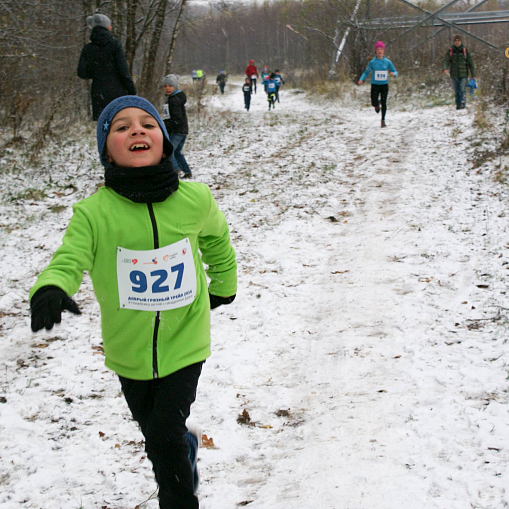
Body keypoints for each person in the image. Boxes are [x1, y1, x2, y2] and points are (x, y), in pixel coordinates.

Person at [29, 95, 237, 509]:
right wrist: (51, 287)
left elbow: (218, 241)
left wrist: (223, 285)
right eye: (121, 127)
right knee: (156, 432)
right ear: (107, 149)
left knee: (162, 435)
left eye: (148, 123)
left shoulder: (196, 199)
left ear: (165, 141)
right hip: (127, 349)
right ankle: (184, 449)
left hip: (185, 340)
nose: (137, 130)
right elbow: (69, 258)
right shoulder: (94, 214)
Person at [77, 13, 136, 121]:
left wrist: (96, 72)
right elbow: (123, 70)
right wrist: (132, 90)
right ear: (107, 27)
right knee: (119, 124)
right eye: (110, 25)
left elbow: (81, 72)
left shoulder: (88, 48)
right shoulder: (115, 45)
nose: (111, 27)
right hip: (116, 91)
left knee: (103, 126)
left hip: (98, 92)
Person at [358, 41, 398, 128]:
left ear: (383, 51)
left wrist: (393, 74)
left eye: (381, 49)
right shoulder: (372, 62)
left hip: (384, 85)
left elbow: (395, 71)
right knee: (373, 101)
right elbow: (366, 72)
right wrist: (361, 79)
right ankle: (376, 104)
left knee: (384, 103)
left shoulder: (387, 62)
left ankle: (383, 120)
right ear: (375, 51)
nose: (380, 51)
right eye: (378, 49)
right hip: (375, 85)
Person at [162, 74, 192, 179]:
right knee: (176, 152)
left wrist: (165, 125)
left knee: (169, 151)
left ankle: (175, 171)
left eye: (170, 86)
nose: (167, 88)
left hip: (177, 131)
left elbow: (176, 118)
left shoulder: (174, 100)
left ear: (175, 86)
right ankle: (187, 172)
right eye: (165, 86)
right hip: (181, 130)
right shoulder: (172, 99)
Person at [442, 34, 476, 110]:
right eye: (455, 41)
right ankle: (458, 104)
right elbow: (446, 61)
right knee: (456, 90)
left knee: (462, 89)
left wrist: (474, 74)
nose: (457, 42)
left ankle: (463, 104)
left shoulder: (465, 51)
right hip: (454, 74)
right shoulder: (451, 51)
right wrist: (445, 68)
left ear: (461, 41)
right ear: (454, 42)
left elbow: (470, 63)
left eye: (458, 40)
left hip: (463, 74)